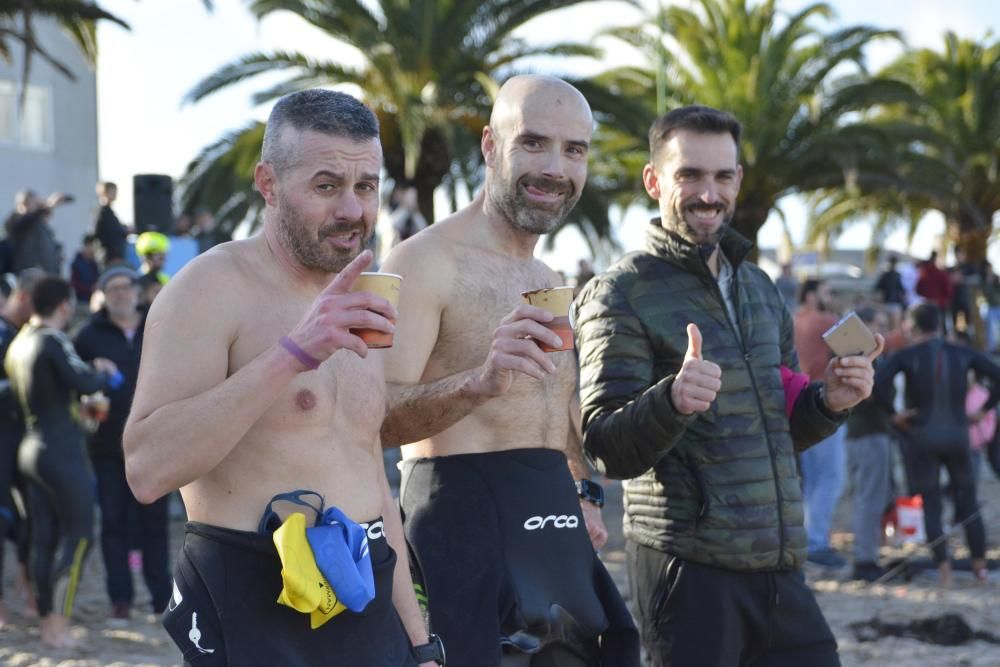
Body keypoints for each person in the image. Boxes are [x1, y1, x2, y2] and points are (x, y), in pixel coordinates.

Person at [123, 89, 438, 666]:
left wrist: (421, 644)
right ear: (267, 183)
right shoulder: (208, 291)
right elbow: (146, 470)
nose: (352, 209)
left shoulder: (361, 295)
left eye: (366, 186)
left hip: (365, 593)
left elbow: (369, 476)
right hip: (254, 598)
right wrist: (292, 353)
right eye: (326, 186)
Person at [573, 105, 883, 666]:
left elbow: (783, 424)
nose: (708, 194)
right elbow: (603, 446)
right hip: (688, 573)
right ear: (654, 181)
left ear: (738, 180)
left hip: (779, 567)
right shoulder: (618, 292)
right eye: (689, 175)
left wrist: (830, 402)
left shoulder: (760, 288)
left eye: (722, 176)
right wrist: (671, 400)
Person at [381, 75, 638, 666]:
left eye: (575, 150)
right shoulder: (424, 263)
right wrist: (479, 382)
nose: (556, 167)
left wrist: (584, 491)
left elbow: (554, 410)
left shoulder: (546, 280)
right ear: (490, 146)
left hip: (550, 524)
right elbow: (371, 417)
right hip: (458, 520)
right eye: (534, 143)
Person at [5, 276, 119, 647]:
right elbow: (84, 380)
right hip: (60, 451)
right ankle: (58, 622)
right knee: (81, 536)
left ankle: (45, 620)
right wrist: (102, 369)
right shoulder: (52, 339)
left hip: (29, 448)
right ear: (66, 306)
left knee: (43, 540)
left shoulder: (20, 340)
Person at [875, 304, 1000, 586]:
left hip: (923, 437)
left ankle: (944, 571)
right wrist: (984, 409)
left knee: (931, 505)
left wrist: (894, 416)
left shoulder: (906, 355)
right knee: (968, 503)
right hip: (958, 435)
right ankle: (980, 570)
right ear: (939, 325)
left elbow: (876, 383)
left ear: (914, 327)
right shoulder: (961, 352)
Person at [74, 266, 170, 622]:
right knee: (113, 524)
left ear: (136, 290)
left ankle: (162, 597)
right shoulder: (87, 335)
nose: (120, 293)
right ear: (102, 294)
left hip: (157, 444)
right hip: (107, 447)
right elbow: (77, 386)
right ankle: (120, 599)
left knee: (155, 526)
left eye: (125, 286)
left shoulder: (160, 324)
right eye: (111, 288)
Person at [0, 268, 45, 626]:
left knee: (33, 521)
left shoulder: (28, 333)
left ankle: (29, 590)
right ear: (26, 298)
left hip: (24, 442)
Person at [794, 279, 848, 567]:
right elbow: (861, 346)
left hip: (796, 399)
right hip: (823, 399)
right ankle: (816, 541)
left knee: (812, 478)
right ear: (812, 295)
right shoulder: (825, 320)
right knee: (830, 477)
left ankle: (807, 538)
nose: (832, 296)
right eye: (828, 291)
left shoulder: (794, 320)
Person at [843, 307, 893, 582]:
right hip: (869, 434)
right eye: (878, 324)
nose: (881, 331)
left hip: (862, 434)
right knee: (868, 499)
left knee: (868, 498)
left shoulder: (856, 355)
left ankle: (867, 556)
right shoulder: (860, 357)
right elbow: (874, 395)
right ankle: (864, 560)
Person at [4, 189, 72, 274]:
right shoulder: (15, 219)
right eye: (35, 202)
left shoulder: (39, 225)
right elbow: (27, 220)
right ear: (24, 203)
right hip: (27, 274)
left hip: (46, 274)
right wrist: (49, 205)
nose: (39, 205)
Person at [93, 181, 129, 265]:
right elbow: (99, 233)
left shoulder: (109, 212)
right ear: (105, 193)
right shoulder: (102, 212)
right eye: (112, 191)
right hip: (109, 257)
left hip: (115, 256)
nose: (115, 194)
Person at [874, 254, 906, 329]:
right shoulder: (897, 275)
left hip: (887, 303)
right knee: (893, 328)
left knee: (887, 328)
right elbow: (902, 290)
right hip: (894, 303)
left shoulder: (885, 275)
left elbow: (877, 287)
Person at [70, 234, 101, 303]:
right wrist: (89, 288)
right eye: (93, 246)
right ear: (86, 245)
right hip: (81, 302)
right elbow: (74, 284)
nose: (94, 250)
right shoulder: (77, 263)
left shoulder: (94, 263)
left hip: (93, 301)